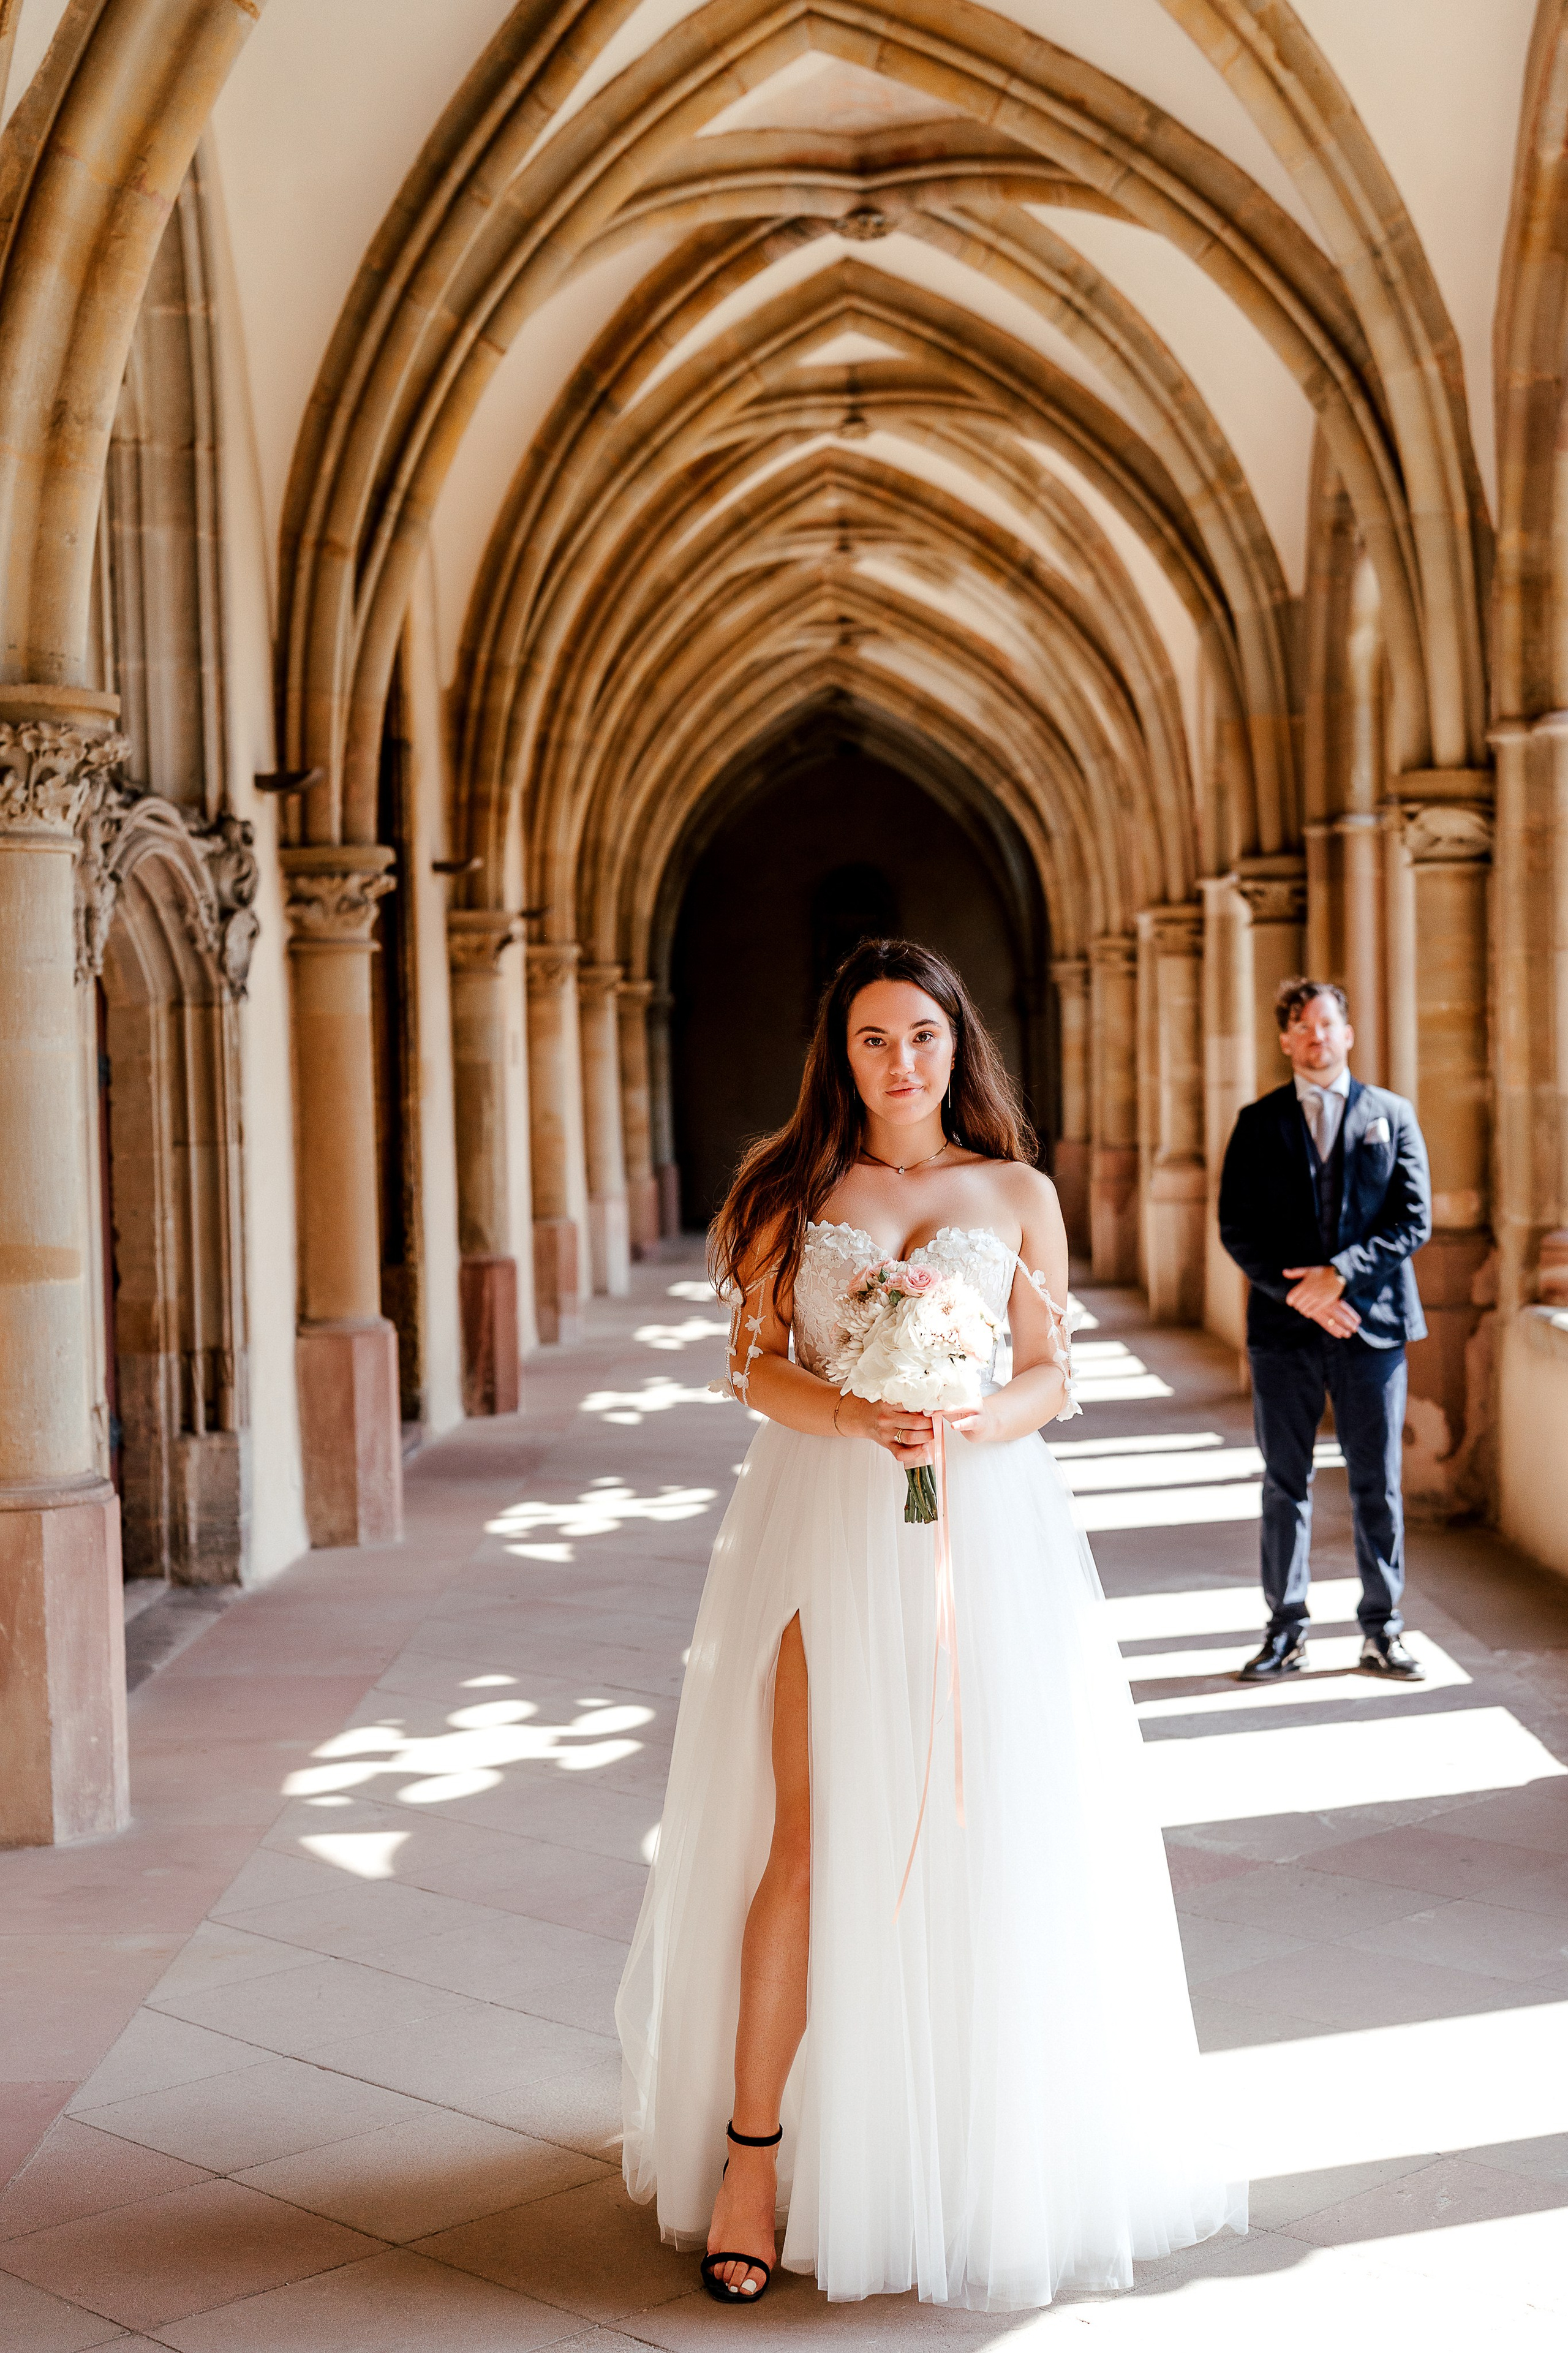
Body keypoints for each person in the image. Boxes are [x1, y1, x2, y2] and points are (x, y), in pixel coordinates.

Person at [616, 939, 1245, 2311]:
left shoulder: (1016, 1191)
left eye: (922, 1036)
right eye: (870, 1039)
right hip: (821, 1525)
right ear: (834, 1055)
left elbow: (1046, 1371)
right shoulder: (792, 1188)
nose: (900, 1062)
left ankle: (969, 2146)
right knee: (808, 1835)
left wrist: (969, 1423)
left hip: (986, 1531)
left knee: (987, 1829)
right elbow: (756, 1368)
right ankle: (751, 2153)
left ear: (957, 1043)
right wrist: (856, 1412)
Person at [1218, 978, 1432, 1683]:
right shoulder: (1256, 1123)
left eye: (1327, 1023)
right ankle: (1286, 1630)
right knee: (1286, 1481)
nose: (1316, 1036)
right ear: (1285, 1038)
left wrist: (1338, 1274)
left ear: (1348, 1033)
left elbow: (1412, 1219)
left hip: (1374, 1327)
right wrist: (1298, 1295)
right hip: (1283, 1333)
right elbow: (1236, 1228)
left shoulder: (1392, 1116)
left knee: (1377, 1480)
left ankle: (1383, 1629)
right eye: (1302, 1025)